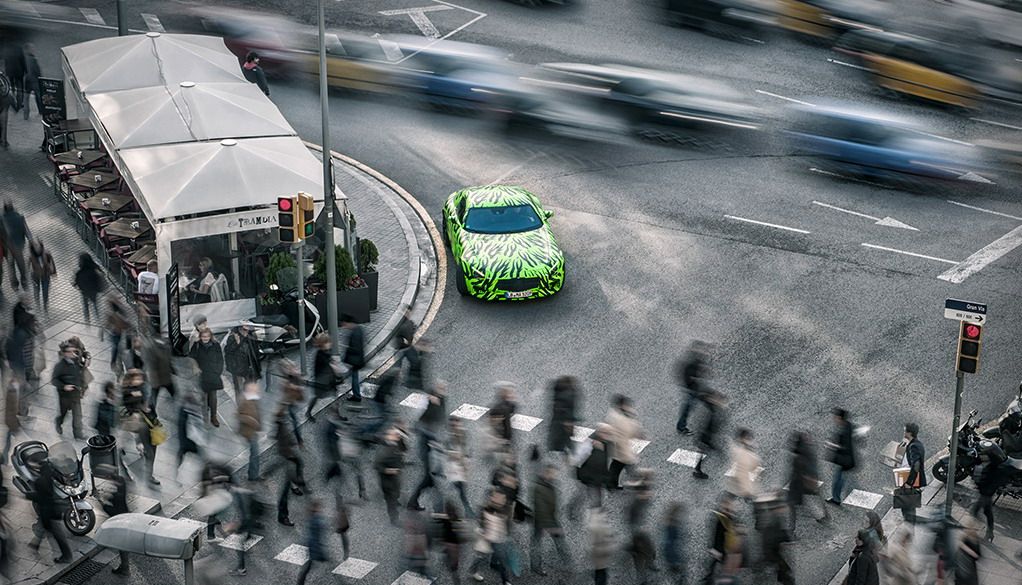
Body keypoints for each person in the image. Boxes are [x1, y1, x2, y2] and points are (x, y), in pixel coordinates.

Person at [530, 462, 571, 577]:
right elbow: (541, 509)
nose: (554, 476)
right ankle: (536, 566)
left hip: (549, 518)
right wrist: (551, 527)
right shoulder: (539, 488)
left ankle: (566, 561)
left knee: (541, 542)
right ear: (546, 473)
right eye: (552, 474)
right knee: (538, 543)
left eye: (555, 474)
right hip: (543, 520)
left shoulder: (548, 484)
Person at [28, 459, 73, 563]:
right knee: (44, 527)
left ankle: (67, 556)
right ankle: (35, 544)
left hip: (48, 511)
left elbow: (40, 497)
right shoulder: (49, 475)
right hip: (51, 510)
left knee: (58, 535)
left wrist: (28, 495)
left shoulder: (40, 481)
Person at [787, 431, 828, 535]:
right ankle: (826, 515)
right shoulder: (808, 450)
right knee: (816, 496)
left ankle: (792, 530)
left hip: (799, 483)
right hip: (807, 481)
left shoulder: (799, 457)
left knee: (792, 504)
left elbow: (797, 471)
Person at [569, 423, 611, 519]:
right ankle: (572, 509)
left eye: (609, 433)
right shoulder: (588, 444)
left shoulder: (605, 443)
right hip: (588, 478)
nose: (608, 436)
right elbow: (577, 459)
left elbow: (604, 461)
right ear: (599, 432)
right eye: (606, 433)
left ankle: (597, 511)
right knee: (582, 495)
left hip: (597, 477)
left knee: (596, 496)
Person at [469, 490, 511, 584]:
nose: (501, 500)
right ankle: (473, 570)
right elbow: (480, 523)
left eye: (503, 498)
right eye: (498, 497)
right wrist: (483, 533)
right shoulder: (484, 509)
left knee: (502, 560)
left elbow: (507, 523)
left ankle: (505, 581)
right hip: (486, 539)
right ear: (491, 498)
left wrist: (506, 534)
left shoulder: (506, 508)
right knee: (480, 557)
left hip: (498, 539)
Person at [274, 401, 306, 527]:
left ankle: (297, 482)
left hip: (289, 455)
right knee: (284, 491)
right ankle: (283, 516)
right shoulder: (281, 426)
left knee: (300, 463)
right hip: (287, 457)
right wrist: (289, 449)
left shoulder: (282, 424)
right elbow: (282, 441)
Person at [605, 394, 644, 489]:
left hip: (616, 446)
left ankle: (611, 484)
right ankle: (637, 484)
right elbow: (630, 432)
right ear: (621, 406)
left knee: (617, 465)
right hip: (622, 447)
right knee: (628, 463)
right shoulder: (621, 420)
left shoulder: (613, 414)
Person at [189, 328, 225, 427]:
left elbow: (220, 359)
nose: (205, 338)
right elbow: (191, 357)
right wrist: (195, 366)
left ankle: (213, 417)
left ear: (210, 336)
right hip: (202, 375)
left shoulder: (216, 345)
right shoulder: (197, 346)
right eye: (203, 337)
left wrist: (218, 371)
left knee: (213, 397)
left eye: (207, 336)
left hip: (213, 374)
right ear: (200, 337)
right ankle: (204, 417)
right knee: (203, 397)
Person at [99, 471, 131, 576]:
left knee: (122, 546)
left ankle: (125, 569)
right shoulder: (122, 483)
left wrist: (102, 502)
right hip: (126, 517)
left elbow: (110, 510)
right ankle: (124, 566)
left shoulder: (116, 495)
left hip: (120, 520)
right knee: (123, 545)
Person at [52, 343, 86, 439]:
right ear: (64, 353)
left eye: (73, 351)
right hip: (65, 395)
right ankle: (59, 421)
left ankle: (78, 434)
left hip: (75, 393)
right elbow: (54, 380)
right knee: (64, 413)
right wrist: (64, 386)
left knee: (77, 415)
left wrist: (82, 387)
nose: (72, 353)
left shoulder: (76, 361)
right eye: (69, 351)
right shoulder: (60, 366)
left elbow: (80, 375)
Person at [700, 495, 737, 585]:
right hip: (720, 549)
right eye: (726, 506)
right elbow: (715, 534)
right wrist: (714, 549)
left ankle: (710, 578)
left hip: (726, 549)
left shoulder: (729, 517)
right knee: (718, 569)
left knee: (719, 569)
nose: (729, 508)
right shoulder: (719, 518)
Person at [676, 341, 711, 435]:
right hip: (693, 389)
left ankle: (682, 427)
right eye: (701, 349)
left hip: (697, 388)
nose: (703, 351)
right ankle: (681, 428)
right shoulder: (691, 361)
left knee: (710, 406)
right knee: (687, 408)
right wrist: (691, 384)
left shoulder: (698, 359)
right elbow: (686, 375)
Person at [825, 407, 856, 506]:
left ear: (839, 417)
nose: (834, 419)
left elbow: (845, 447)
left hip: (844, 461)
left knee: (838, 481)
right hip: (847, 460)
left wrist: (832, 445)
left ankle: (836, 499)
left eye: (836, 417)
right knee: (839, 479)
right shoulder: (847, 426)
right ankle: (836, 498)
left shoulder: (845, 430)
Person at [375, 426, 405, 526]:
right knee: (390, 501)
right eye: (394, 434)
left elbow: (404, 449)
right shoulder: (383, 452)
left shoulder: (396, 444)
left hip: (394, 478)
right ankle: (394, 519)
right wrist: (389, 470)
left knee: (396, 493)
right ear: (388, 437)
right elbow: (377, 466)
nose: (397, 435)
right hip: (387, 481)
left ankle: (395, 500)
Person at [760, 497, 793, 585]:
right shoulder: (772, 522)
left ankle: (781, 576)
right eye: (781, 507)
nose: (784, 509)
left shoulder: (774, 517)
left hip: (773, 550)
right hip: (772, 552)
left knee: (784, 568)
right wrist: (788, 539)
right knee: (785, 569)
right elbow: (774, 538)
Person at [296, 499, 329, 585]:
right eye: (318, 507)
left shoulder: (313, 518)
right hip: (314, 547)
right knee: (308, 566)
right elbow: (317, 533)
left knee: (308, 565)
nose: (320, 509)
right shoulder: (316, 520)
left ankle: (300, 582)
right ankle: (300, 583)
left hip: (312, 546)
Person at [724, 427, 761, 502]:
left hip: (736, 480)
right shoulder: (745, 455)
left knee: (731, 494)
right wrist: (747, 492)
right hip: (741, 483)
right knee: (732, 494)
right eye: (748, 438)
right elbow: (744, 473)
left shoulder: (739, 450)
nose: (751, 441)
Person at [224, 325, 260, 399]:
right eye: (244, 329)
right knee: (239, 388)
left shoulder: (251, 335)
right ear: (239, 328)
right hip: (237, 367)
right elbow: (228, 351)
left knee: (250, 385)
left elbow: (254, 350)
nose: (245, 331)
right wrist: (237, 343)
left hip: (249, 365)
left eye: (247, 329)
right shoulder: (233, 337)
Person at [308, 333, 338, 420]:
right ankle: (308, 412)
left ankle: (336, 414)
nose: (330, 343)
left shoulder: (327, 351)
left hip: (329, 379)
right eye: (328, 342)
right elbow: (322, 367)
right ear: (323, 344)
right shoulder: (320, 355)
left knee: (333, 395)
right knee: (317, 396)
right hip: (322, 380)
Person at [900, 422, 926, 523]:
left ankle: (910, 525)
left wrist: (908, 483)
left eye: (905, 430)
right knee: (909, 505)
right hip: (915, 479)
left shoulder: (913, 446)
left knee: (907, 506)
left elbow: (916, 465)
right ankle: (910, 522)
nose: (904, 432)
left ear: (909, 433)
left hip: (913, 481)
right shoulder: (916, 443)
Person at [548, 375, 579, 456]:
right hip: (563, 422)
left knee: (558, 437)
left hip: (558, 421)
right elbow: (570, 410)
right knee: (565, 439)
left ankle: (556, 451)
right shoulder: (570, 394)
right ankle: (570, 453)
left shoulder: (558, 393)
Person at [2, 201, 30, 291]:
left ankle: (14, 285)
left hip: (7, 247)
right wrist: (31, 240)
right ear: (13, 208)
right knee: (21, 265)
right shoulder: (20, 217)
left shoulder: (1, 219)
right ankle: (24, 282)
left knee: (10, 266)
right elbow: (26, 231)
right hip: (19, 246)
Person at [237, 382, 262, 482]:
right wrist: (252, 421)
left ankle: (253, 474)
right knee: (255, 453)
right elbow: (239, 415)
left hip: (252, 431)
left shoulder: (253, 399)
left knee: (254, 453)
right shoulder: (244, 401)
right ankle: (253, 476)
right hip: (248, 432)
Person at [144, 335, 176, 411]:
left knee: (171, 391)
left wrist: (173, 370)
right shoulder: (152, 349)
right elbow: (151, 365)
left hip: (165, 377)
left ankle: (151, 406)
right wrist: (154, 380)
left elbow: (169, 361)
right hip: (158, 379)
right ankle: (151, 408)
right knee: (155, 394)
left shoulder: (167, 347)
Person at [73, 253, 104, 324]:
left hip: (84, 291)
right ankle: (98, 319)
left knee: (85, 305)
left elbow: (75, 281)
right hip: (93, 291)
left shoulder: (80, 270)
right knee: (95, 304)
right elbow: (99, 277)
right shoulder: (93, 268)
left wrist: (78, 286)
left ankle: (87, 320)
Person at [661, 502, 686, 585]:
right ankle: (678, 576)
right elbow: (673, 538)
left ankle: (675, 570)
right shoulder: (673, 524)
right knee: (677, 563)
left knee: (674, 562)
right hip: (671, 546)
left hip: (670, 545)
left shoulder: (670, 521)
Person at [342, 315, 366, 401]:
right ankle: (356, 394)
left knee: (354, 378)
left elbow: (355, 348)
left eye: (345, 324)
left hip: (355, 360)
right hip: (358, 359)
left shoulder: (355, 332)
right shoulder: (359, 329)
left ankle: (357, 395)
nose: (345, 327)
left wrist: (347, 349)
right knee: (354, 377)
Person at [588, 507, 614, 585]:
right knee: (601, 577)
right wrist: (609, 548)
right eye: (605, 516)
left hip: (601, 560)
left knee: (600, 575)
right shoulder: (596, 528)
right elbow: (593, 546)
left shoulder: (598, 526)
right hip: (600, 559)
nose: (606, 518)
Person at [28, 239, 55, 311]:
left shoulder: (47, 254)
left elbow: (52, 263)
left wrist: (53, 272)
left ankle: (45, 307)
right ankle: (38, 307)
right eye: (35, 246)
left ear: (41, 246)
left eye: (38, 246)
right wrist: (30, 276)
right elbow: (28, 268)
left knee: (45, 292)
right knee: (36, 292)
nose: (37, 248)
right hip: (35, 276)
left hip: (45, 275)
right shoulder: (31, 256)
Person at [1, 377, 23, 465]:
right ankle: (5, 457)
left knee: (8, 439)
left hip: (12, 419)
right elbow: (12, 409)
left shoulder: (13, 391)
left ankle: (5, 457)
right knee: (8, 440)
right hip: (11, 420)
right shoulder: (12, 393)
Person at [105, 298, 130, 369]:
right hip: (115, 334)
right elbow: (107, 325)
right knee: (116, 347)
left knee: (117, 348)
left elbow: (107, 325)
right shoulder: (114, 315)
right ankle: (114, 362)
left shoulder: (114, 315)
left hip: (117, 333)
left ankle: (115, 362)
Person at [955, 518, 982, 585]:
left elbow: (977, 556)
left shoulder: (974, 540)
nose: (964, 530)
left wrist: (964, 547)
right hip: (962, 569)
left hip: (968, 570)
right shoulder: (963, 538)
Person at [21, 43, 41, 120]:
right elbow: (37, 71)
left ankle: (26, 114)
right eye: (32, 49)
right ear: (29, 49)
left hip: (27, 80)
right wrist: (40, 79)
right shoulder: (33, 59)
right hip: (34, 80)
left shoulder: (23, 59)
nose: (33, 50)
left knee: (26, 98)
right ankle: (40, 111)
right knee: (38, 96)